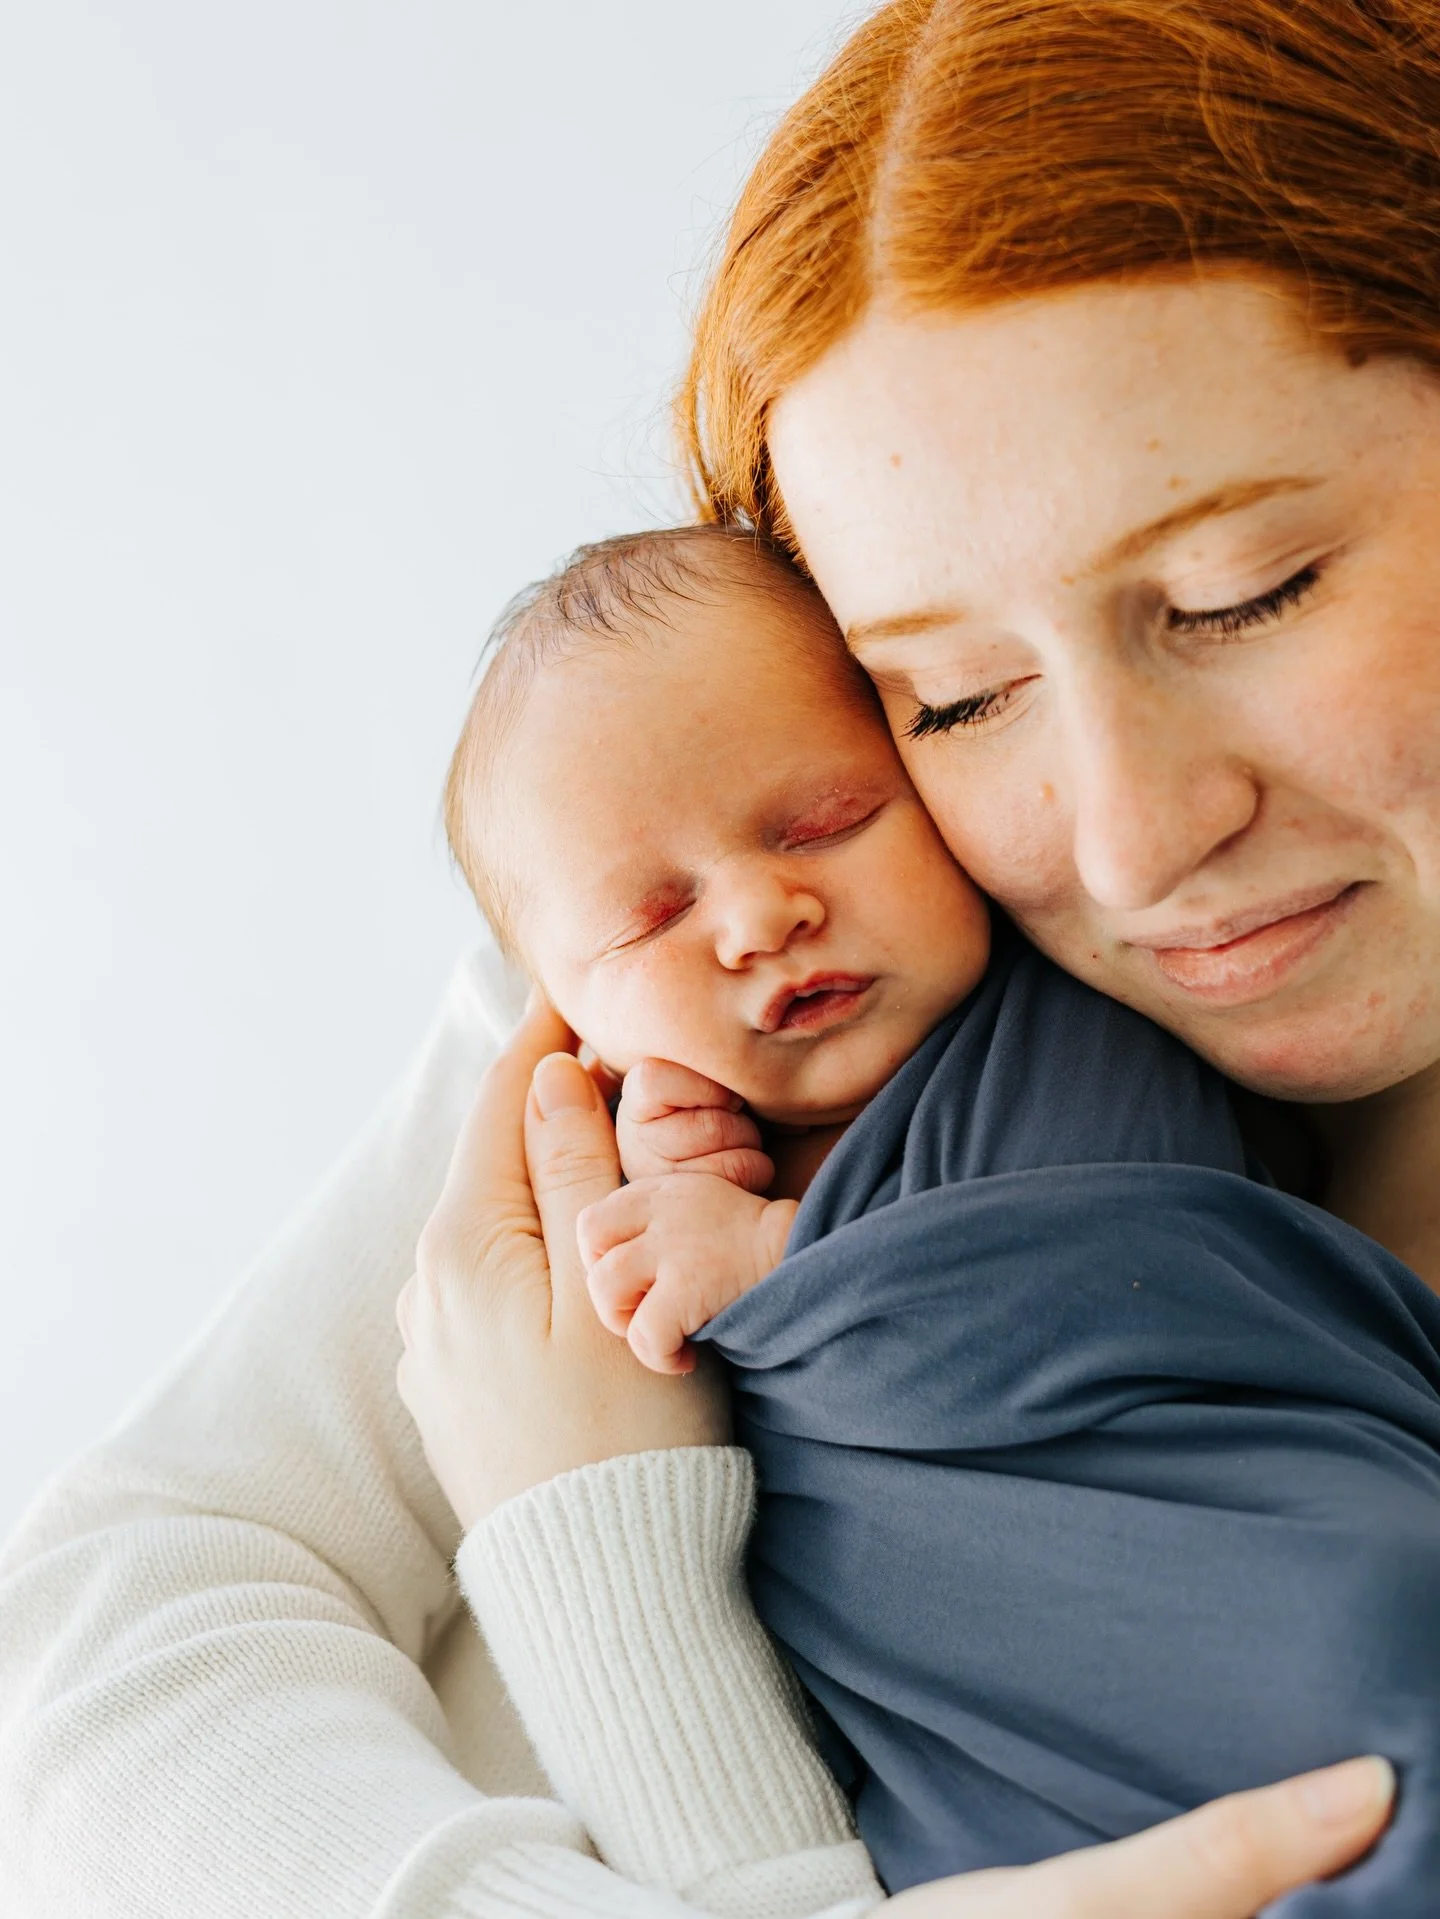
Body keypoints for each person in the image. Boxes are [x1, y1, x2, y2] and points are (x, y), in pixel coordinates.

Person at [0, 0, 1419, 1913]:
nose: (1127, 836)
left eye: (1241, 595)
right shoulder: (742, 988)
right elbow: (117, 1645)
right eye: (950, 693)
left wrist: (589, 1542)